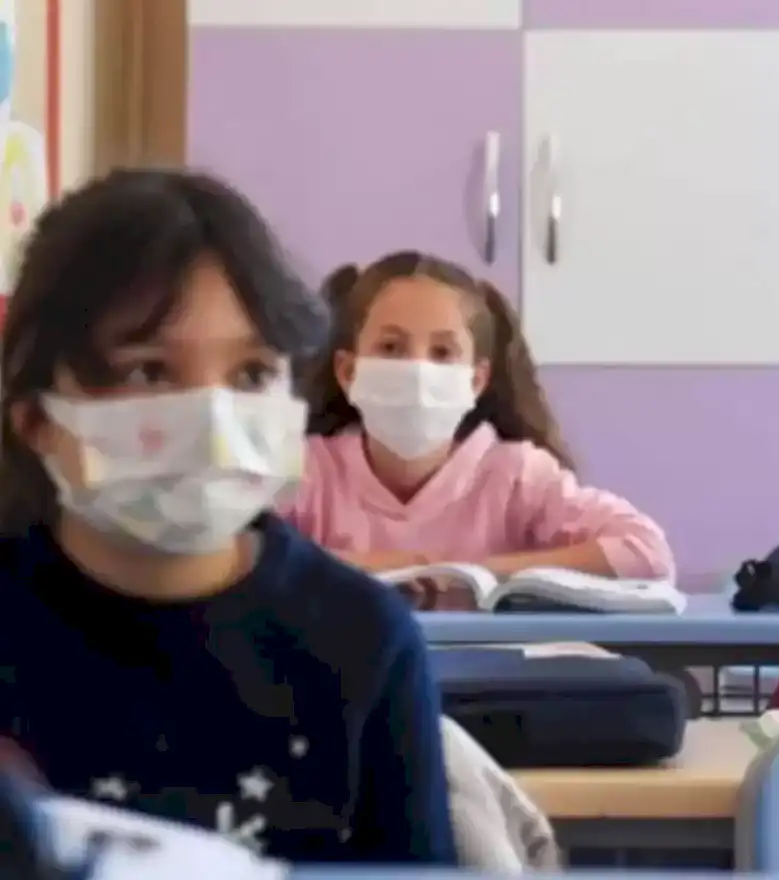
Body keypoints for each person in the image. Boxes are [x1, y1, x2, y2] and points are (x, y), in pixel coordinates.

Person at [0, 169, 457, 863]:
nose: (215, 424)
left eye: (251, 374)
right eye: (149, 371)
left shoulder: (362, 642)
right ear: (35, 419)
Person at [288, 251, 674, 607]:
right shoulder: (305, 471)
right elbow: (249, 555)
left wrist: (476, 572)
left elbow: (644, 552)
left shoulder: (517, 476)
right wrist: (379, 567)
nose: (418, 370)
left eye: (443, 353)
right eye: (391, 348)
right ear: (348, 371)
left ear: (476, 380)